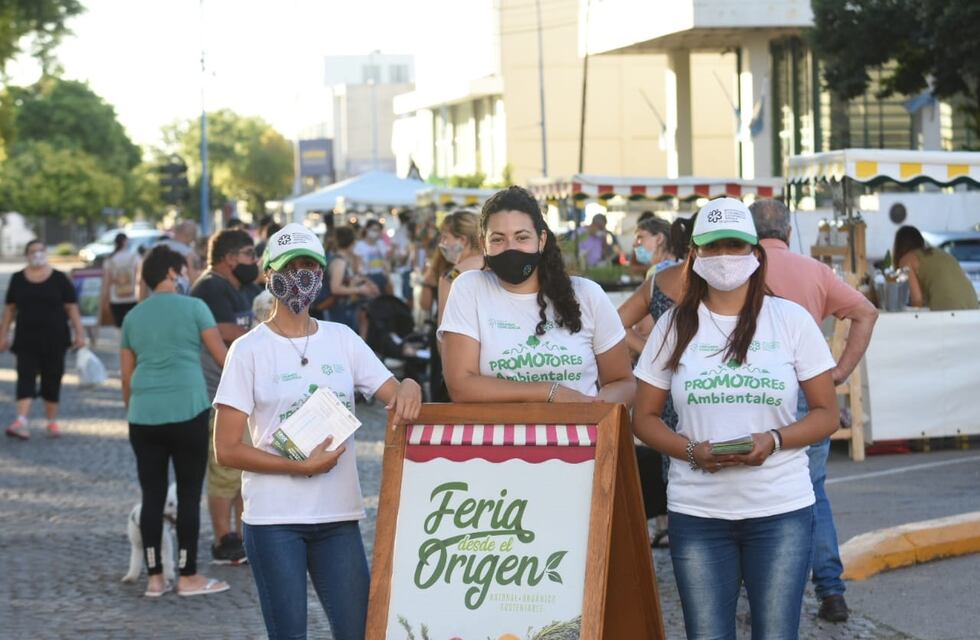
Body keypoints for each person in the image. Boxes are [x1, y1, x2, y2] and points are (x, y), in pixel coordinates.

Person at [632, 197, 839, 638]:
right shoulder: (673, 326)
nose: (725, 257)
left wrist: (776, 440)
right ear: (694, 256)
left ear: (755, 254)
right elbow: (644, 418)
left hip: (781, 510)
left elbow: (826, 414)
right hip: (698, 514)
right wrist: (690, 450)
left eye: (736, 245)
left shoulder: (790, 320)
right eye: (712, 247)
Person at [212, 223, 422, 640]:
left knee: (359, 631)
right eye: (291, 267)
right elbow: (227, 448)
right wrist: (299, 466)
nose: (301, 276)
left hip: (338, 517)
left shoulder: (342, 339)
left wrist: (412, 384)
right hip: (274, 521)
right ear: (268, 275)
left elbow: (393, 394)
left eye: (310, 266)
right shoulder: (248, 350)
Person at [751, 198, 880, 622]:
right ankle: (831, 592)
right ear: (789, 233)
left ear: (751, 234)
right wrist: (839, 372)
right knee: (813, 491)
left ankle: (761, 597)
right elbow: (865, 311)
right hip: (811, 390)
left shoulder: (744, 270)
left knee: (757, 494)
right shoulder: (816, 272)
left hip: (757, 393)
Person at [439, 186, 635, 406]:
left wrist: (592, 411)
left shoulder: (587, 294)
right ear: (483, 242)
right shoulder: (469, 288)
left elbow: (622, 382)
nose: (510, 248)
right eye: (498, 239)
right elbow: (461, 386)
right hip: (498, 438)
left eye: (522, 237)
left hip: (578, 436)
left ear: (541, 240)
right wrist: (550, 392)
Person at [120, 246, 230, 597]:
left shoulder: (133, 318)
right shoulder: (195, 308)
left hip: (143, 414)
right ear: (171, 272)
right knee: (187, 495)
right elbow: (222, 357)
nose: (186, 274)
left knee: (152, 495)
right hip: (189, 409)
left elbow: (126, 377)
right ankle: (187, 576)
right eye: (183, 269)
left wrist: (133, 411)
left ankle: (154, 579)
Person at [617, 214, 697, 548]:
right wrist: (654, 351)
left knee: (675, 465)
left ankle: (683, 534)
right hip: (707, 390)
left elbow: (614, 325)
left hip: (666, 389)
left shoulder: (660, 279)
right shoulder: (733, 282)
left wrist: (653, 354)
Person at [190, 229, 260, 564]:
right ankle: (223, 539)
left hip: (241, 391)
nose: (254, 262)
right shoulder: (210, 286)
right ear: (230, 258)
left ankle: (243, 535)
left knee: (242, 470)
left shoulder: (242, 288)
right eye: (249, 254)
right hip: (218, 392)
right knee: (224, 471)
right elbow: (226, 331)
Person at [1, 240, 86, 439]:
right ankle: (21, 421)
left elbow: (71, 307)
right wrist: (3, 334)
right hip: (26, 339)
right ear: (26, 255)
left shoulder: (59, 279)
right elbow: (9, 310)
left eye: (40, 250)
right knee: (25, 377)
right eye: (33, 251)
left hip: (55, 339)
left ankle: (51, 421)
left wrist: (79, 333)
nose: (37, 254)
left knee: (52, 379)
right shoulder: (17, 279)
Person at [892, 225, 978, 311]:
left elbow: (917, 301)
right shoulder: (938, 253)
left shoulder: (906, 260)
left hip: (949, 308)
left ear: (898, 246)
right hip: (973, 305)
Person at [320, 226, 379, 332]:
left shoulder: (340, 259)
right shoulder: (340, 261)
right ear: (351, 242)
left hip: (341, 309)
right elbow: (335, 288)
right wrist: (360, 290)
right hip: (339, 310)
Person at [100, 233, 141, 326]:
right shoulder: (134, 257)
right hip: (131, 297)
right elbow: (139, 277)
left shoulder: (110, 259)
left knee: (119, 327)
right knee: (132, 326)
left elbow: (107, 282)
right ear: (125, 241)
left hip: (115, 298)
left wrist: (104, 300)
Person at [157, 220, 203, 285]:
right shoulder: (190, 254)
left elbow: (142, 280)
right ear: (190, 236)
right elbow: (194, 280)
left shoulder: (155, 248)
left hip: (154, 294)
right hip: (181, 294)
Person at [353, 219, 391, 294]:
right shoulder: (359, 245)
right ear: (367, 229)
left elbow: (385, 262)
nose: (375, 232)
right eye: (373, 229)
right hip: (367, 278)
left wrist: (388, 278)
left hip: (381, 277)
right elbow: (357, 266)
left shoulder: (381, 244)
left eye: (377, 230)